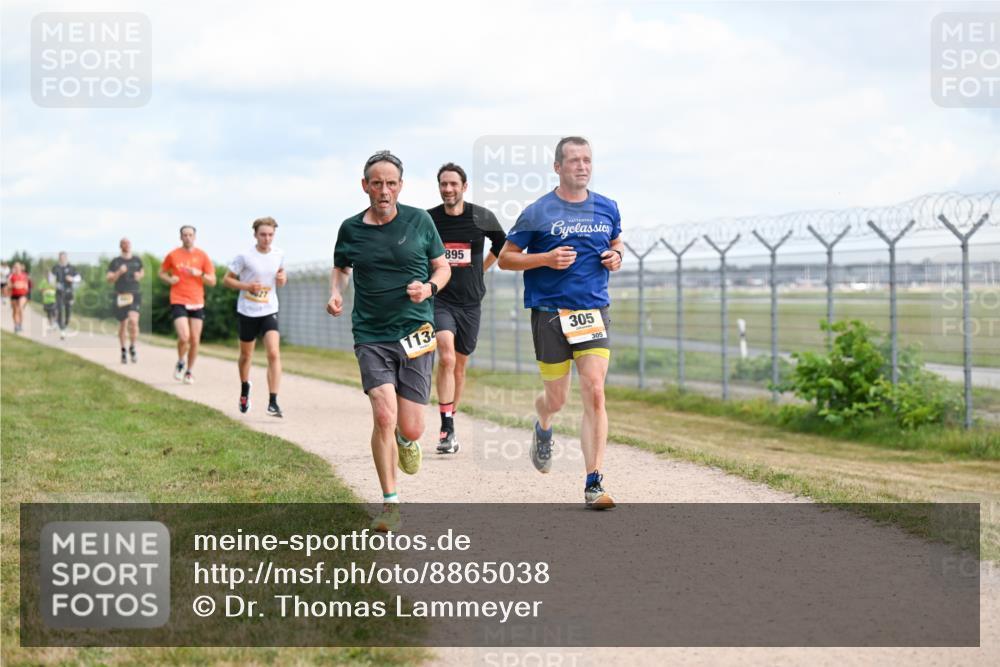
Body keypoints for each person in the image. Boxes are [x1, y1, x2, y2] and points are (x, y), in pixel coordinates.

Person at [497, 136, 624, 510]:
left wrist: (616, 256)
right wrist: (546, 259)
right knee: (557, 398)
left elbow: (617, 242)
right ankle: (543, 423)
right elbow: (506, 258)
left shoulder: (607, 207)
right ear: (557, 167)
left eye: (587, 160)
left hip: (592, 310)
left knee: (595, 390)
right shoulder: (538, 212)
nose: (582, 166)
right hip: (550, 312)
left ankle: (593, 482)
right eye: (573, 161)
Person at [327, 150, 450, 531]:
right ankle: (390, 503)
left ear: (400, 186)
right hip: (371, 334)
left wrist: (428, 289)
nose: (384, 190)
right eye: (377, 183)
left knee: (411, 427)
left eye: (391, 183)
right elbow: (340, 268)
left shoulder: (420, 221)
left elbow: (442, 267)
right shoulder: (350, 229)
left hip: (415, 332)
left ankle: (405, 438)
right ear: (365, 186)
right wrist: (335, 292)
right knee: (382, 411)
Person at [427, 162, 506, 454]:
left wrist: (481, 269)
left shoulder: (481, 216)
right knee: (445, 356)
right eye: (443, 184)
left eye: (453, 184)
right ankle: (445, 425)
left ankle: (451, 420)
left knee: (459, 366)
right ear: (439, 187)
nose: (448, 189)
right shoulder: (429, 219)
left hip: (471, 301)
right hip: (440, 299)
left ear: (464, 187)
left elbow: (502, 243)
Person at [223, 217, 287, 417]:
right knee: (246, 356)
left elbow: (282, 278)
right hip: (247, 310)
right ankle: (244, 387)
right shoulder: (245, 256)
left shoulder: (279, 254)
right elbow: (226, 280)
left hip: (269, 309)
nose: (267, 238)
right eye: (263, 235)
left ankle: (273, 401)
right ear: (255, 235)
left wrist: (282, 279)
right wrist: (247, 286)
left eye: (270, 235)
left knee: (274, 353)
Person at [159, 225, 216, 384]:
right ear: (180, 237)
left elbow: (213, 281)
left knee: (195, 340)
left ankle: (189, 371)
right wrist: (170, 280)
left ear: (195, 237)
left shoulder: (202, 256)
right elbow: (161, 272)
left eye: (190, 235)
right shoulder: (173, 255)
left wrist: (201, 274)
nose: (188, 237)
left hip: (197, 300)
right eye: (185, 235)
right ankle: (180, 361)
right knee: (184, 336)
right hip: (178, 299)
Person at [106, 238, 144, 364]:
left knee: (133, 321)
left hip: (135, 294)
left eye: (128, 243)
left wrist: (139, 276)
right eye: (124, 243)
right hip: (121, 295)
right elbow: (109, 279)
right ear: (120, 246)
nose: (127, 245)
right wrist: (119, 272)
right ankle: (123, 350)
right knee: (123, 324)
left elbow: (141, 272)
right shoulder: (116, 262)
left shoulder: (137, 260)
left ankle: (132, 346)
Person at [49, 251, 81, 340]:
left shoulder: (72, 268)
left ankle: (65, 325)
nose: (62, 259)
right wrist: (55, 284)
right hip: (59, 292)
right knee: (60, 310)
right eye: (60, 257)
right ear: (59, 258)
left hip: (69, 292)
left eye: (64, 257)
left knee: (68, 313)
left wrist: (72, 279)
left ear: (66, 258)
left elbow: (79, 278)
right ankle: (62, 331)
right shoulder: (55, 268)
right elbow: (51, 279)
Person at [8, 262, 31, 334]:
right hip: (14, 295)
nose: (17, 268)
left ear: (20, 268)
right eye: (15, 267)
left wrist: (22, 286)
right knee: (15, 311)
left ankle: (20, 324)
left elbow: (26, 286)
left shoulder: (24, 276)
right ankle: (16, 325)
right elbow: (9, 286)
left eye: (18, 267)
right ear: (14, 268)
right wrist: (14, 285)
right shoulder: (12, 276)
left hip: (22, 294)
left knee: (20, 308)